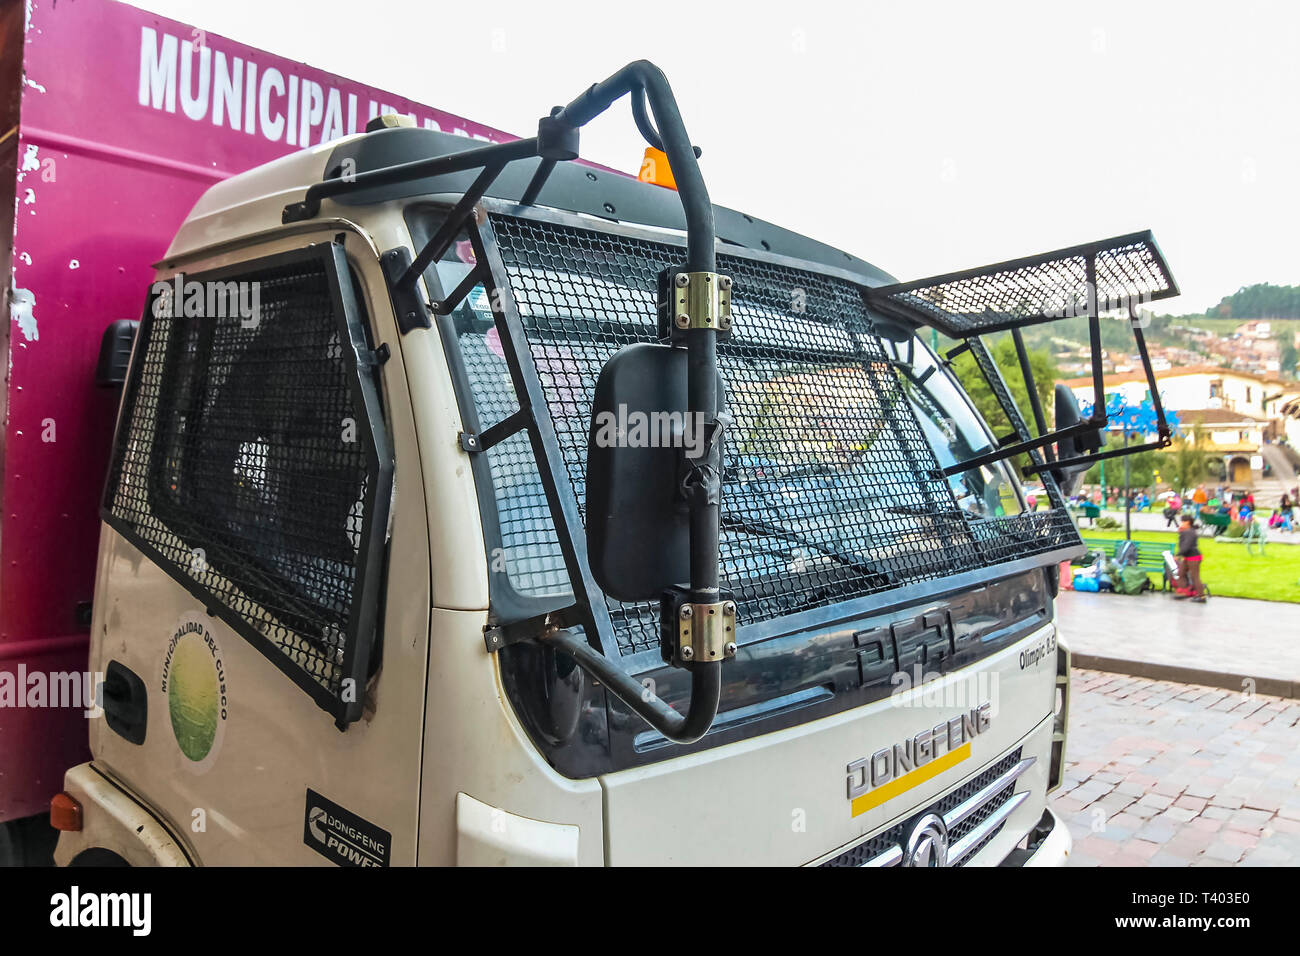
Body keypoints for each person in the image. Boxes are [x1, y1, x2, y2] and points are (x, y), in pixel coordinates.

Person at [1174, 514, 1205, 601]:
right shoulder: (1187, 531)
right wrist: (1181, 532)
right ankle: (1184, 591)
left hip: (1193, 557)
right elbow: (1182, 544)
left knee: (1194, 576)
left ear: (1187, 522)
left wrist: (1178, 554)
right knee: (1181, 574)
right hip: (1187, 557)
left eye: (1183, 521)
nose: (1181, 523)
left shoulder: (1190, 532)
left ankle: (1201, 596)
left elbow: (1186, 546)